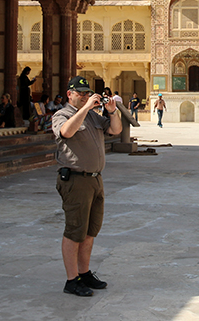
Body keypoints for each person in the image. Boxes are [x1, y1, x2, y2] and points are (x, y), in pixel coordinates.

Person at [52, 76, 122, 297]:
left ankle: (84, 273)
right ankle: (71, 279)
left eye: (86, 93)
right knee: (75, 231)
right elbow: (66, 132)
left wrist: (111, 111)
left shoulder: (92, 116)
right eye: (80, 93)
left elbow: (116, 130)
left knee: (90, 231)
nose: (84, 96)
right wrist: (84, 109)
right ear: (69, 94)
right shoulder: (62, 114)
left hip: (94, 179)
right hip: (76, 179)